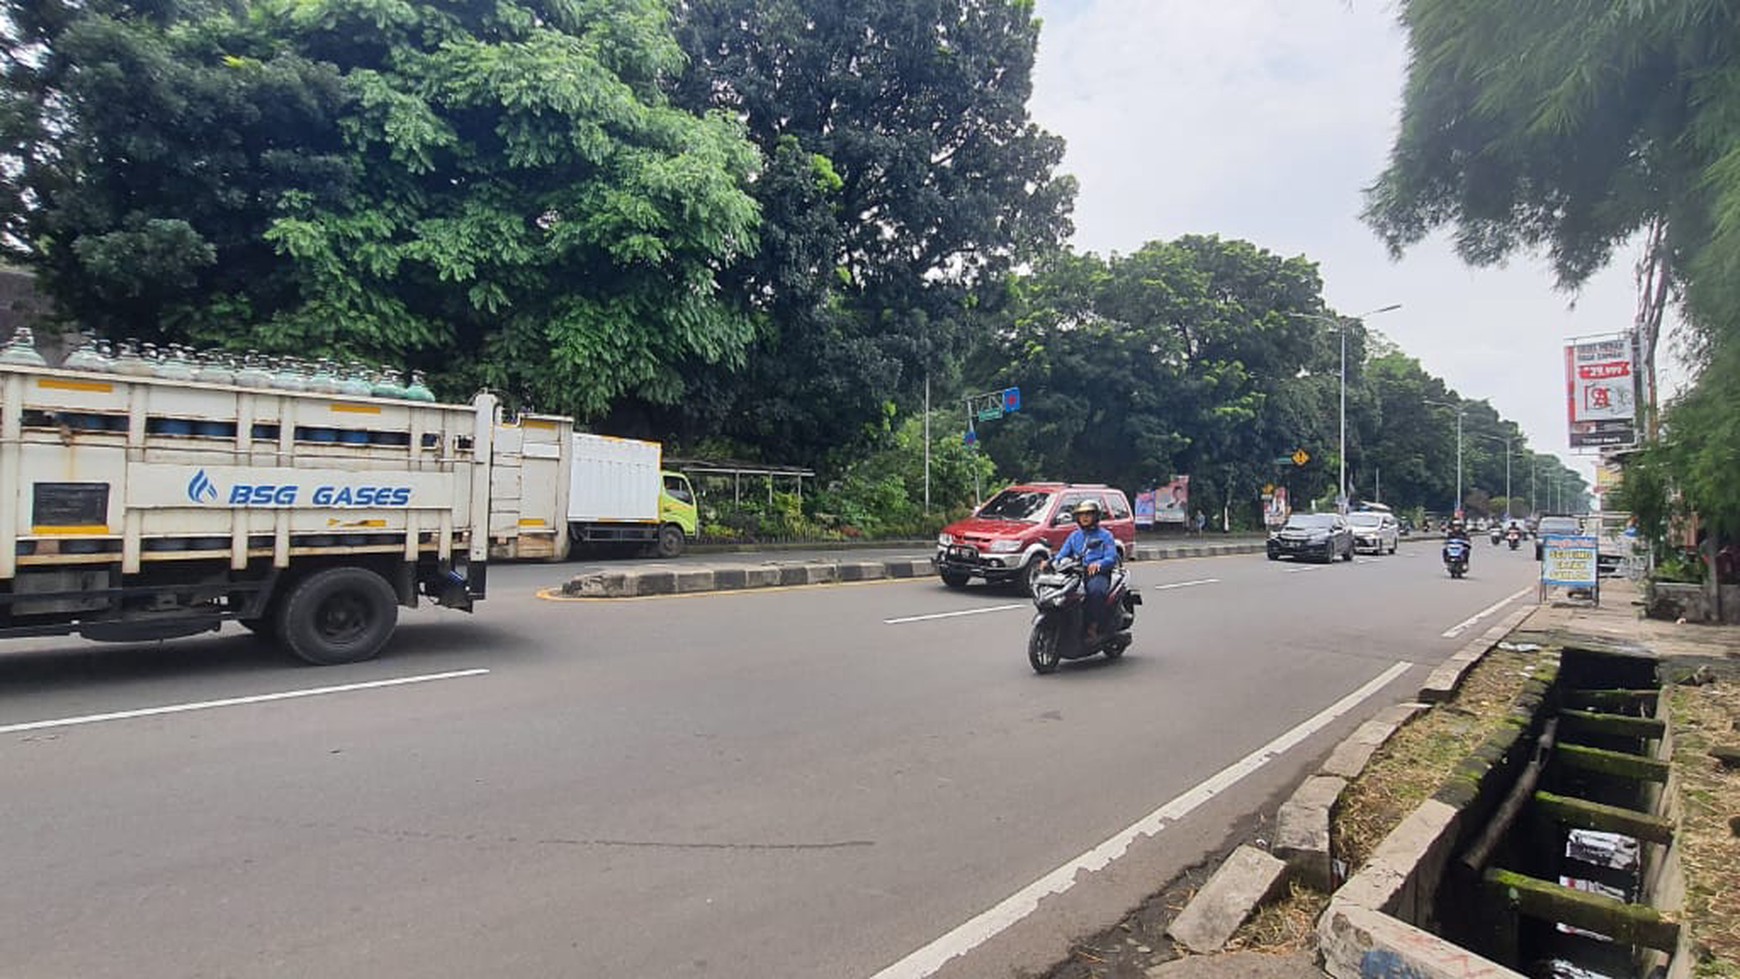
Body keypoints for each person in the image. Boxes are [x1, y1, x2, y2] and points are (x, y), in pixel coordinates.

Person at [1053, 499, 1120, 638]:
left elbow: (1111, 557)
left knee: (1096, 592)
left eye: (1088, 514)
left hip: (1096, 573)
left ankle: (1092, 626)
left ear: (1096, 516)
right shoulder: (1074, 536)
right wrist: (1049, 563)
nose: (1084, 517)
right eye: (1081, 514)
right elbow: (1062, 554)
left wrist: (1099, 564)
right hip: (1075, 573)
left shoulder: (1105, 536)